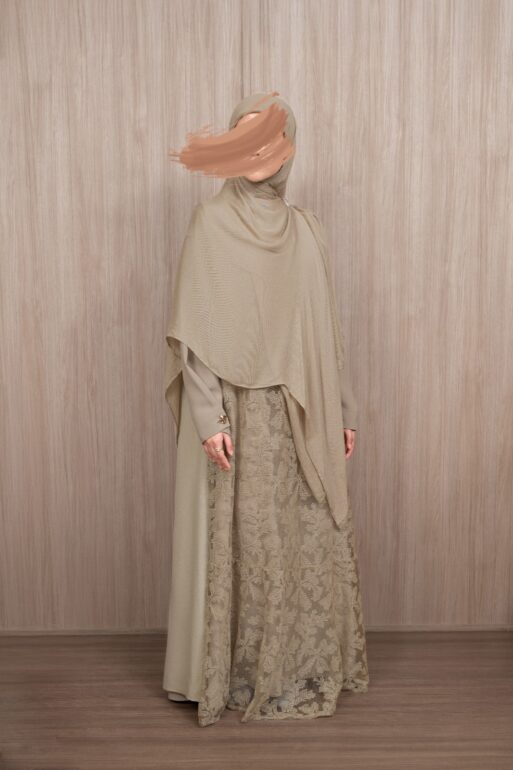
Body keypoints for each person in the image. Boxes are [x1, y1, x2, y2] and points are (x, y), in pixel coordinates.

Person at [162, 92, 369, 726]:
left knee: (298, 539)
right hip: (236, 414)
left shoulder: (307, 230)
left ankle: (293, 668)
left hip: (300, 411)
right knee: (245, 545)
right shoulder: (210, 224)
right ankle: (236, 672)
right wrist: (209, 420)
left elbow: (324, 331)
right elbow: (195, 331)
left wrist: (342, 410)